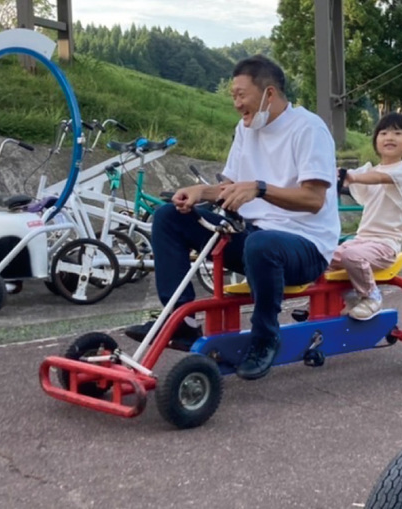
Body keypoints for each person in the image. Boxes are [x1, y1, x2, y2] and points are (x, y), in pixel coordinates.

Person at [124, 56, 340, 381]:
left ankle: (265, 338)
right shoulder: (247, 128)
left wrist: (260, 189)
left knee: (261, 244)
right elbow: (232, 188)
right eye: (233, 96)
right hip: (253, 238)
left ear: (269, 93)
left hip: (305, 247)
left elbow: (313, 199)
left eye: (241, 95)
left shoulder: (309, 128)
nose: (237, 104)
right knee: (169, 216)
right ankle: (180, 323)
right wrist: (201, 191)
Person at [331, 113, 402, 321]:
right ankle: (341, 298)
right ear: (376, 141)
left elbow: (378, 178)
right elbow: (356, 176)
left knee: (352, 256)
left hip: (386, 244)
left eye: (397, 133)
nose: (390, 137)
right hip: (362, 241)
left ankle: (371, 297)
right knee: (320, 255)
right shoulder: (369, 170)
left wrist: (351, 176)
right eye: (384, 133)